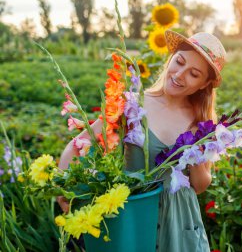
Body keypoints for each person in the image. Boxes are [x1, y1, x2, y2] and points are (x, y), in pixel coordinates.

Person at [57, 30, 227, 252]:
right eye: (179, 62)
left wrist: (193, 151)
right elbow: (79, 143)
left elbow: (200, 185)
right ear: (171, 58)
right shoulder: (132, 105)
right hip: (134, 214)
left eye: (193, 74)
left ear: (204, 84)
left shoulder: (199, 122)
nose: (179, 74)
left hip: (177, 220)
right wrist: (63, 191)